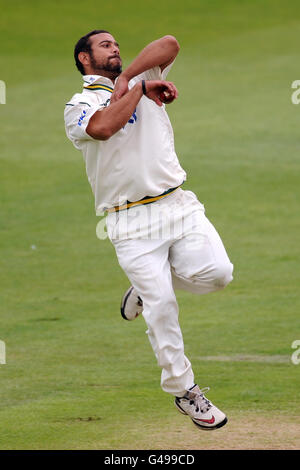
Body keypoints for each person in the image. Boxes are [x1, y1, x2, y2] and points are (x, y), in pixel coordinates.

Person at [64, 29, 234, 430]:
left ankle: (144, 288)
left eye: (115, 43)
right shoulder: (79, 104)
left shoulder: (141, 74)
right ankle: (185, 390)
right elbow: (104, 128)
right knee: (163, 308)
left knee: (219, 275)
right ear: (84, 60)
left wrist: (132, 79)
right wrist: (138, 92)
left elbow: (170, 43)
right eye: (104, 45)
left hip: (177, 203)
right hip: (130, 220)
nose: (115, 48)